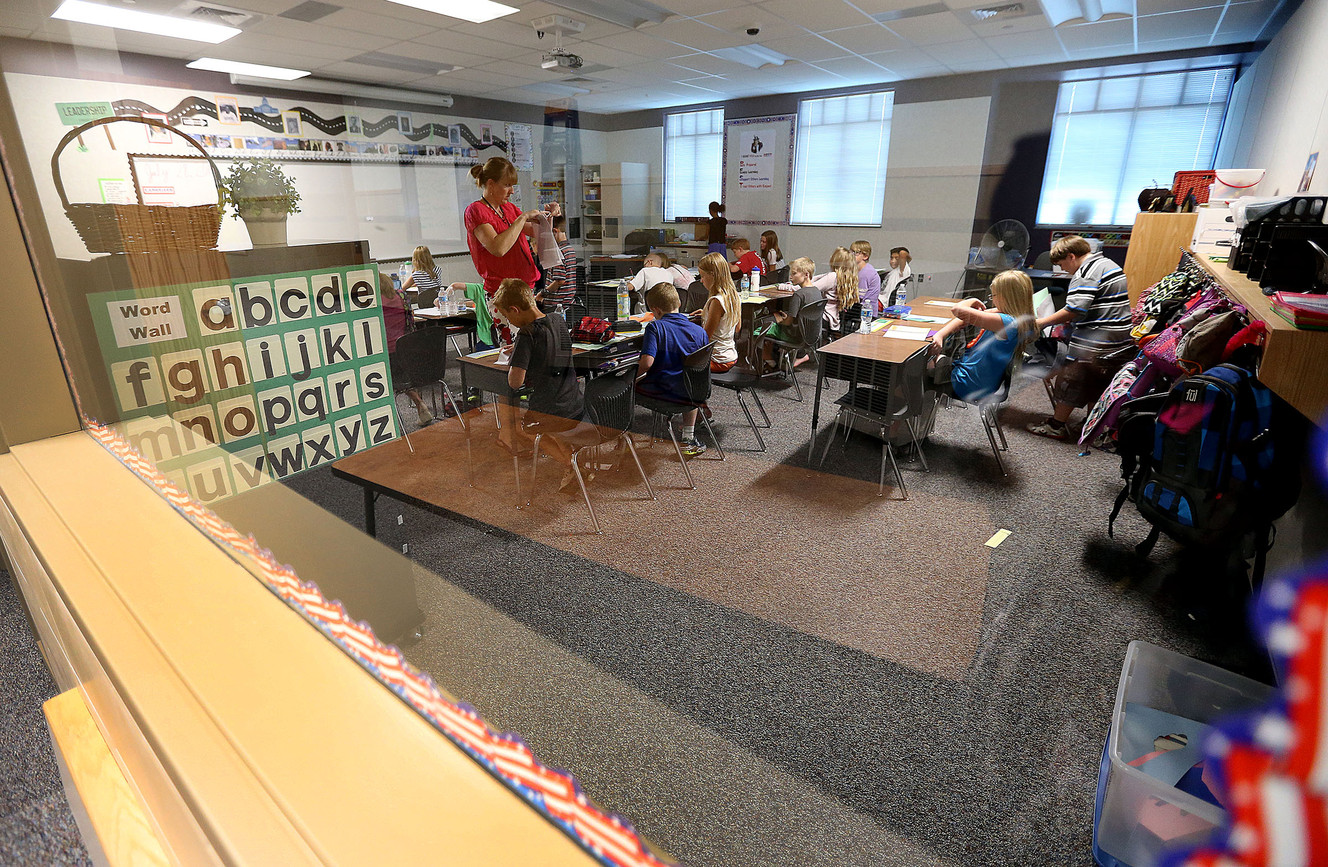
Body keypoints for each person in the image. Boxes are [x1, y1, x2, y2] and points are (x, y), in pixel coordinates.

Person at [1027, 235, 1133, 440]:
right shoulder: (1107, 263)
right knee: (1099, 381)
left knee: (1071, 378)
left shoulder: (1085, 273)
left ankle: (1056, 425)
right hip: (1118, 338)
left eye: (1062, 265)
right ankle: (1092, 424)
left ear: (1072, 256)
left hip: (1096, 339)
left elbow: (1074, 309)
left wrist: (1042, 323)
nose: (1063, 270)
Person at [492, 278, 584, 486]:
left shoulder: (526, 333)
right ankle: (572, 457)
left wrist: (516, 359)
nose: (509, 322)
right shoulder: (557, 319)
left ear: (515, 309)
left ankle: (572, 465)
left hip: (550, 409)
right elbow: (548, 350)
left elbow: (515, 382)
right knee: (551, 427)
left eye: (507, 316)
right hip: (575, 402)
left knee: (520, 428)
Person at [463, 156, 560, 346]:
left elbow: (536, 231)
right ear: (491, 184)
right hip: (503, 291)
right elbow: (498, 248)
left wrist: (549, 215)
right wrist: (522, 217)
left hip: (525, 287)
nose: (512, 191)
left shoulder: (508, 209)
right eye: (507, 185)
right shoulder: (476, 211)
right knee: (513, 345)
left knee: (534, 343)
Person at [927, 270, 1035, 402]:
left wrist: (971, 300)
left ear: (1005, 297)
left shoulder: (1007, 322)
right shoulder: (1017, 317)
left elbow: (958, 310)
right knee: (932, 358)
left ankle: (908, 414)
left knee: (918, 365)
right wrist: (940, 335)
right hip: (981, 382)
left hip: (967, 384)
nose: (992, 300)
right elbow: (964, 318)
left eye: (994, 295)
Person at [635, 282, 711, 457]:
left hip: (665, 392)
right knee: (690, 378)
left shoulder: (655, 327)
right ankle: (688, 437)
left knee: (623, 387)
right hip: (694, 392)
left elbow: (647, 363)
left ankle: (623, 442)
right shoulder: (699, 331)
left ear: (656, 310)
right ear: (678, 304)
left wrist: (631, 379)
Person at [379, 272, 433, 426]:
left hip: (386, 356)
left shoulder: (377, 303)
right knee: (401, 378)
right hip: (406, 352)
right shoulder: (402, 297)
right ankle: (419, 403)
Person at [757, 256, 823, 369]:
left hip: (794, 336)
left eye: (794, 274)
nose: (790, 277)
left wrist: (780, 320)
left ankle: (768, 360)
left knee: (760, 327)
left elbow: (788, 323)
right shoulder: (817, 292)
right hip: (811, 336)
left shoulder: (798, 295)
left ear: (806, 274)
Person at [693, 252, 741, 373]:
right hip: (731, 355)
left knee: (676, 360)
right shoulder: (733, 296)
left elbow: (705, 338)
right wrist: (707, 314)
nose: (701, 280)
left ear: (712, 275)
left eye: (702, 276)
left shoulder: (717, 301)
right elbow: (737, 328)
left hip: (718, 360)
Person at [536, 215, 577, 314]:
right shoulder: (570, 249)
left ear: (555, 231)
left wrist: (542, 294)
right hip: (568, 303)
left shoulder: (558, 252)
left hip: (556, 307)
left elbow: (559, 281)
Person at [447, 281, 497, 351]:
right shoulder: (507, 288)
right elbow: (476, 302)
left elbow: (455, 285)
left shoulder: (480, 289)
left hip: (488, 336)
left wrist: (442, 297)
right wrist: (462, 303)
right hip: (505, 337)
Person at [820, 246, 861, 332]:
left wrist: (785, 286)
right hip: (836, 319)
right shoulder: (850, 278)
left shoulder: (832, 277)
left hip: (825, 318)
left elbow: (808, 287)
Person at [851, 240, 880, 315]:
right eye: (851, 252)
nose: (851, 255)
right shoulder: (855, 270)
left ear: (865, 256)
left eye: (856, 253)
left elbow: (858, 297)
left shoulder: (866, 273)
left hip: (866, 313)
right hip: (859, 309)